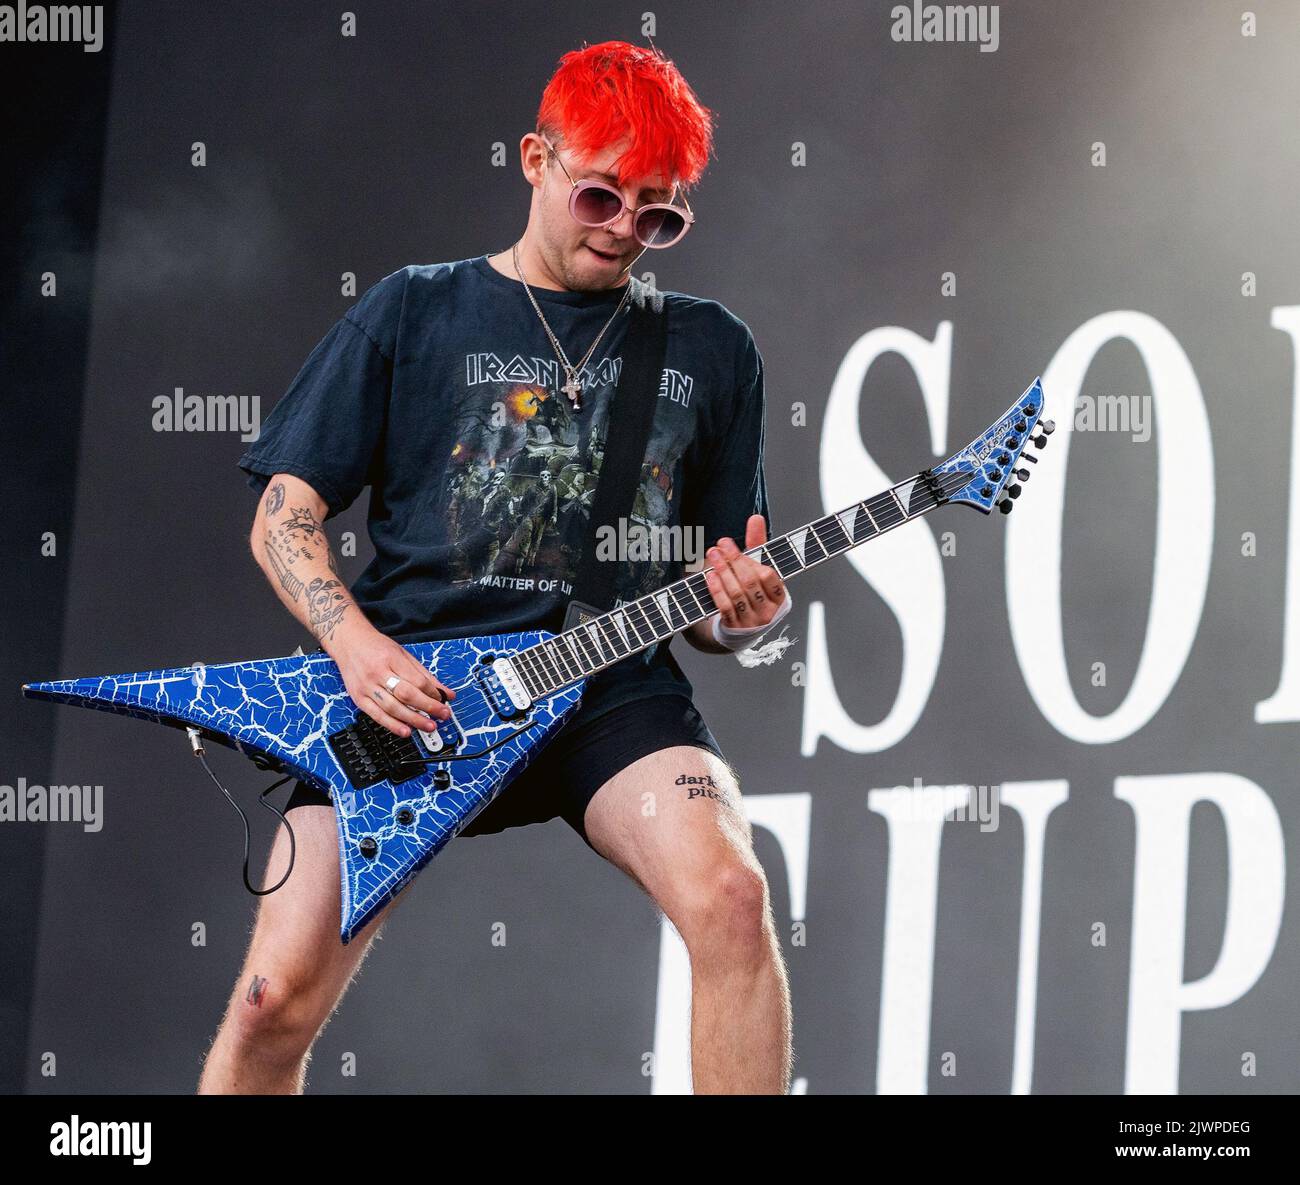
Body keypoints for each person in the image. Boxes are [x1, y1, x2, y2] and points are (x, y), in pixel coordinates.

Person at [200, 40, 793, 1095]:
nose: (624, 234)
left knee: (731, 898)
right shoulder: (411, 309)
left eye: (658, 216)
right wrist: (351, 642)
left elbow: (713, 601)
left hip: (605, 682)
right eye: (603, 196)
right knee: (268, 1005)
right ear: (535, 158)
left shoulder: (711, 348)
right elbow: (283, 517)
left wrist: (743, 612)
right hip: (407, 688)